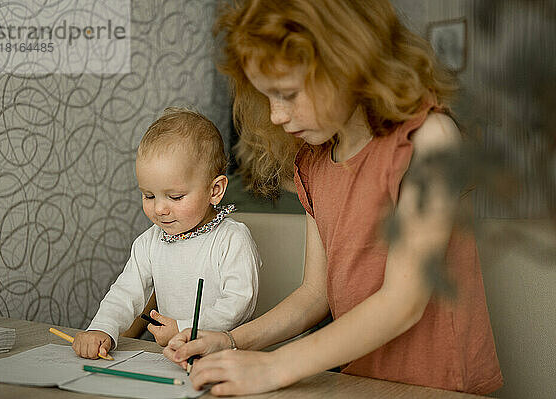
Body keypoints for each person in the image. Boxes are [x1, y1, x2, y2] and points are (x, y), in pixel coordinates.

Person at [163, 0, 503, 396]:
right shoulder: (312, 163)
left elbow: (402, 302)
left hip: (441, 386)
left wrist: (275, 365)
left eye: (287, 93)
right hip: (361, 382)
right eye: (266, 96)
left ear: (346, 63)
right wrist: (234, 340)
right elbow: (315, 293)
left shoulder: (431, 140)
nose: (275, 115)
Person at [72, 107, 261, 360]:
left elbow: (238, 303)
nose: (159, 209)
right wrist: (101, 328)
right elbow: (126, 292)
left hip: (228, 358)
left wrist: (184, 329)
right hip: (174, 358)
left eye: (175, 196)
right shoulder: (149, 242)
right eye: (148, 195)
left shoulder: (231, 239)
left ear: (215, 190)